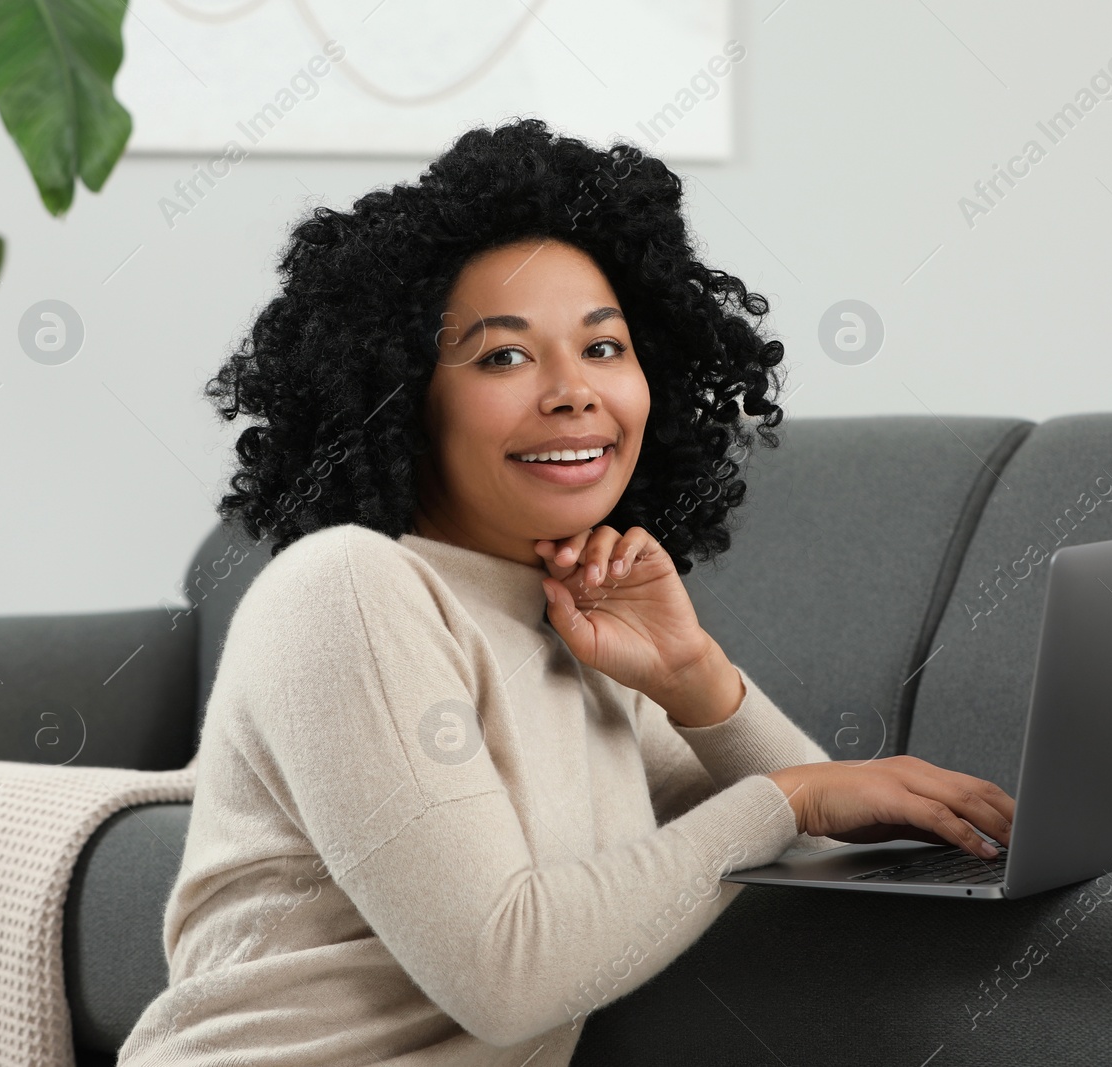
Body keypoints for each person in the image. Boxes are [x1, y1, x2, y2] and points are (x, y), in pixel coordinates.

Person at [117, 117, 1015, 1067]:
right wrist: (788, 800)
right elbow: (508, 974)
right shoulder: (346, 589)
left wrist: (697, 679)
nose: (572, 391)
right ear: (402, 395)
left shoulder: (576, 623)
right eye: (503, 356)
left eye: (603, 348)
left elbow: (826, 856)